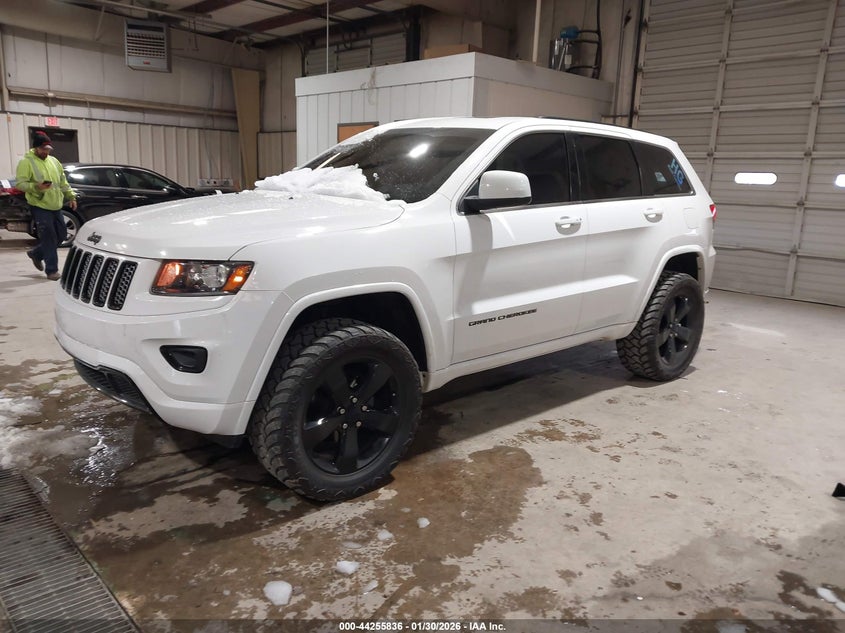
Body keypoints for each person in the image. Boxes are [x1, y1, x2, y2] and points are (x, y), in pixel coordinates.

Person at [15, 131, 77, 280]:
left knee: (62, 235)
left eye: (48, 149)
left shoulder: (54, 161)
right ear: (36, 148)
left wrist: (71, 196)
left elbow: (63, 182)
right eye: (44, 149)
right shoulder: (26, 162)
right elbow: (20, 184)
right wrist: (37, 187)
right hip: (40, 205)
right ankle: (51, 271)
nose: (46, 151)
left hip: (56, 205)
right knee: (49, 237)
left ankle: (36, 254)